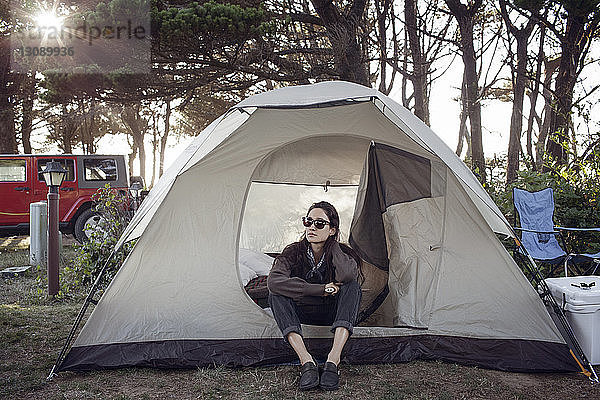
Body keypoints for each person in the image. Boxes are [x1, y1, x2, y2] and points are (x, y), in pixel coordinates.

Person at [267, 201, 362, 391]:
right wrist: (320, 289)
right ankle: (306, 361)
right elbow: (274, 281)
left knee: (352, 287)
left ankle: (333, 360)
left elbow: (347, 276)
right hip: (302, 311)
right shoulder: (293, 251)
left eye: (319, 224)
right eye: (308, 221)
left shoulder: (342, 252)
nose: (312, 227)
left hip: (332, 313)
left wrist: (332, 246)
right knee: (275, 294)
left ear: (332, 230)